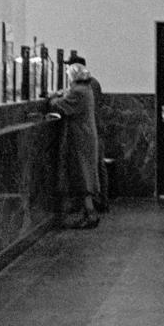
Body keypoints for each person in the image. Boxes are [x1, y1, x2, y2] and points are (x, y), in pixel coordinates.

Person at [48, 62, 100, 228]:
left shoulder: (77, 92)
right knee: (86, 175)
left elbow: (58, 105)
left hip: (80, 137)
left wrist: (53, 97)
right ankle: (88, 213)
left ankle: (90, 215)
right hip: (86, 135)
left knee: (83, 176)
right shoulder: (87, 89)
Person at [66, 52, 109, 212]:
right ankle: (100, 202)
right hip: (95, 127)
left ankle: (98, 203)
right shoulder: (92, 83)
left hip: (90, 129)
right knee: (96, 166)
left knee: (94, 167)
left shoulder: (86, 86)